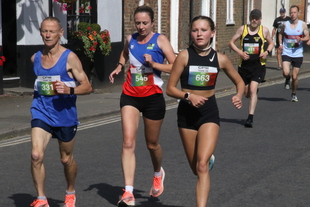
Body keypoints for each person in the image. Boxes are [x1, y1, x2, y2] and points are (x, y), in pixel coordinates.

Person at [166, 15, 245, 207]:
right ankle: (206, 158)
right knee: (196, 168)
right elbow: (170, 88)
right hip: (186, 114)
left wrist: (239, 95)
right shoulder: (184, 56)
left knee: (202, 166)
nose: (199, 34)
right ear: (191, 33)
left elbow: (240, 81)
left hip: (208, 113)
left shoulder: (220, 59)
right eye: (195, 30)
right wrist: (188, 96)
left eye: (203, 30)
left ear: (212, 33)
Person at [109, 4, 176, 207]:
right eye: (137, 23)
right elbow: (124, 53)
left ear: (152, 22)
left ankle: (158, 172)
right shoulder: (131, 39)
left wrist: (155, 64)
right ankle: (128, 192)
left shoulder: (160, 40)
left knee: (151, 144)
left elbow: (176, 65)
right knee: (128, 142)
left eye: (144, 23)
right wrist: (119, 66)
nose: (141, 26)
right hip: (130, 95)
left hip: (153, 97)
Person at [29, 17, 92, 207]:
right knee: (36, 155)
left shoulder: (70, 58)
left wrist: (69, 89)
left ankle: (70, 191)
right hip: (41, 111)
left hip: (65, 115)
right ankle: (41, 198)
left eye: (52, 31)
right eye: (44, 31)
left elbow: (87, 86)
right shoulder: (36, 58)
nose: (48, 35)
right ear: (40, 32)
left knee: (66, 159)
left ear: (60, 33)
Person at [229, 9, 274, 127]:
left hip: (258, 66)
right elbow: (231, 43)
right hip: (244, 67)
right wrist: (240, 53)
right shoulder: (242, 29)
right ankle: (252, 91)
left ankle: (250, 118)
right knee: (246, 93)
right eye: (252, 17)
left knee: (253, 90)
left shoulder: (264, 30)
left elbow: (271, 43)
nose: (254, 20)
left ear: (260, 19)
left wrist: (267, 52)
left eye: (256, 18)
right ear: (250, 18)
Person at [278, 5, 309, 102]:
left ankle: (294, 93)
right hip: (287, 51)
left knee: (295, 76)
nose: (293, 14)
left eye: (294, 12)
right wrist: (280, 44)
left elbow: (307, 37)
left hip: (298, 53)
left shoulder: (303, 24)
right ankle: (287, 79)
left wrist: (302, 39)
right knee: (286, 72)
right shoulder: (285, 24)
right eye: (291, 12)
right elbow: (280, 33)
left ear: (298, 13)